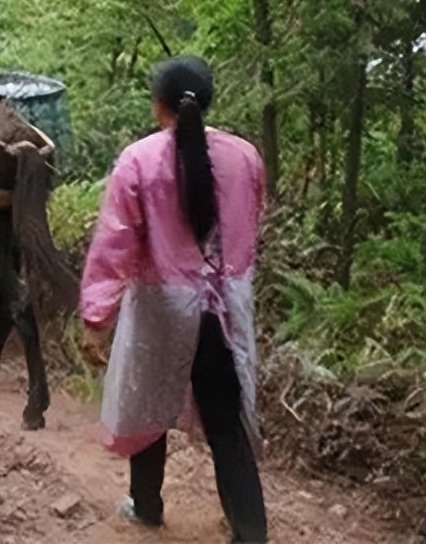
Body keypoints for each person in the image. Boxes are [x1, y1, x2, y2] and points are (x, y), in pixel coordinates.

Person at [79, 55, 268, 543]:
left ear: (158, 104)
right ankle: (250, 530)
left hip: (162, 306)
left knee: (148, 405)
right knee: (227, 419)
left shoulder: (138, 160)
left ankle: (146, 508)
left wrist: (96, 315)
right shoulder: (245, 156)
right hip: (225, 307)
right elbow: (252, 221)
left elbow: (115, 243)